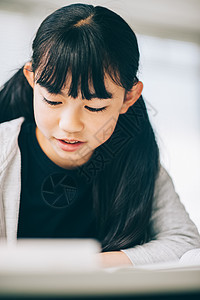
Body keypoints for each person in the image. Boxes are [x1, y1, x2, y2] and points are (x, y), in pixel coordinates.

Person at [0, 3, 199, 268]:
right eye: (52, 101)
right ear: (31, 79)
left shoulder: (137, 160)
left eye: (94, 107)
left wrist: (87, 267)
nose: (70, 125)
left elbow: (185, 243)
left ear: (129, 97)